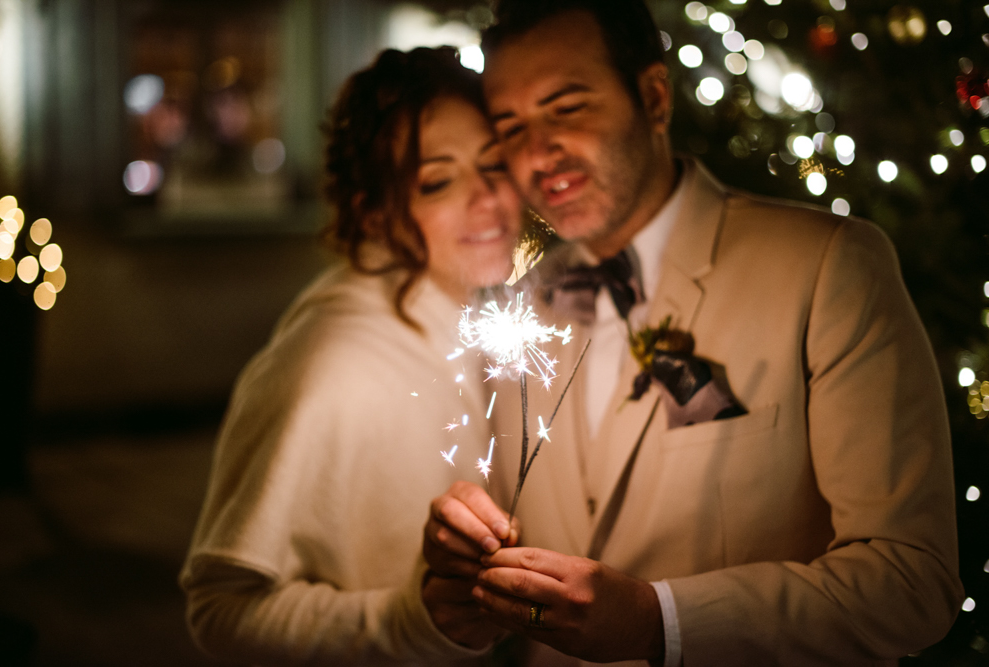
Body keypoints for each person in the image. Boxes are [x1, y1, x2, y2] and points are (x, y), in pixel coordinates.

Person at [422, 1, 964, 665]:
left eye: (566, 108)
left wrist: (662, 621)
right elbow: (507, 580)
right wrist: (464, 604)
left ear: (652, 98)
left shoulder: (826, 267)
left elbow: (912, 581)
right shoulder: (516, 309)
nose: (536, 152)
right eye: (511, 127)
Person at [180, 46, 522, 666]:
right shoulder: (335, 370)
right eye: (437, 180)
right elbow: (219, 610)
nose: (488, 198)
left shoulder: (467, 322)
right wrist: (409, 623)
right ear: (373, 211)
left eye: (495, 164)